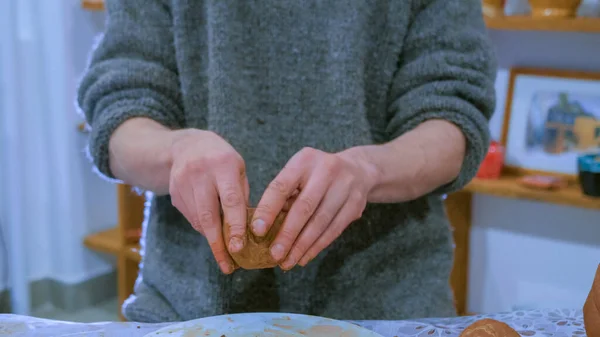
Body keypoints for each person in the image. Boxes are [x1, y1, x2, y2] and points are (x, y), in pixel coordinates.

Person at [77, 0, 496, 323]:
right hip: (190, 304)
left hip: (387, 304)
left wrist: (370, 170)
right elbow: (120, 112)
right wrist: (175, 151)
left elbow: (453, 116)